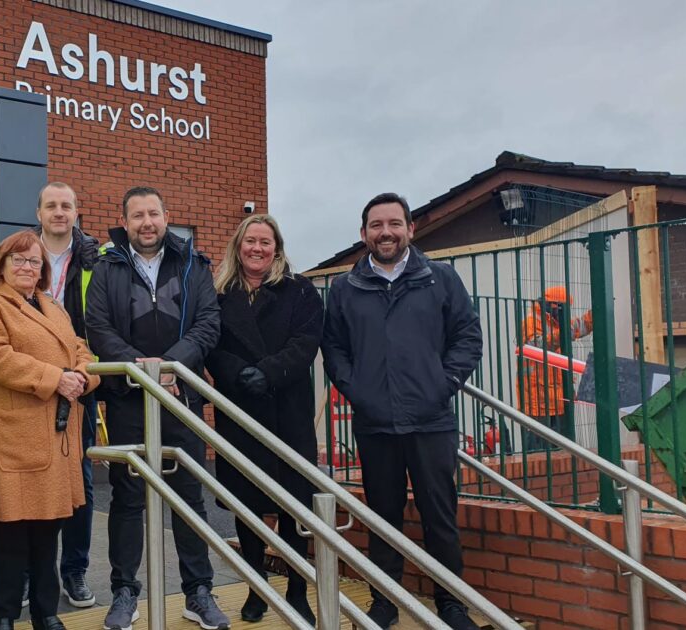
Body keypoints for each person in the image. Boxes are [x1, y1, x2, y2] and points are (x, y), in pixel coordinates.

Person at [321, 192, 482, 630]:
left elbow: (467, 337)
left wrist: (444, 384)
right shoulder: (345, 288)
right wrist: (357, 391)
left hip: (431, 421)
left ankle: (452, 604)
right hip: (375, 423)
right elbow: (334, 349)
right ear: (363, 234)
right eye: (376, 225)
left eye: (394, 223)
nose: (386, 232)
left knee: (440, 518)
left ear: (411, 229)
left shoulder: (440, 279)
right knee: (382, 517)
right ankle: (385, 602)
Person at [85, 186, 229, 630]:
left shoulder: (193, 264)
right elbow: (97, 326)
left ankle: (197, 592)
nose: (147, 222)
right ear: (124, 221)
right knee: (127, 501)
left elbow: (209, 322)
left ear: (166, 217)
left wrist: (172, 365)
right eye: (137, 215)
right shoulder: (106, 267)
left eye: (154, 214)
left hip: (180, 397)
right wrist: (137, 368)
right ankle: (125, 593)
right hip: (129, 398)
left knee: (188, 498)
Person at [0, 230, 100, 630]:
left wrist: (80, 376)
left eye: (35, 261)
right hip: (14, 436)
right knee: (10, 532)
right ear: (2, 265)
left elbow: (82, 350)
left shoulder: (53, 307)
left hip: (56, 437)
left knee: (48, 531)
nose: (27, 267)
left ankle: (46, 612)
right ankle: (5, 615)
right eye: (19, 260)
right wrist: (55, 378)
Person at [204, 215, 322, 624]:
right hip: (240, 411)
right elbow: (210, 344)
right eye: (250, 241)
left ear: (277, 247)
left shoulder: (300, 290)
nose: (257, 248)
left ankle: (298, 589)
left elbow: (306, 342)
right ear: (238, 246)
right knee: (248, 507)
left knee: (294, 507)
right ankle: (256, 589)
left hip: (287, 412)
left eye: (265, 242)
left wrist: (269, 372)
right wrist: (237, 373)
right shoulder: (219, 295)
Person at [31, 182, 100, 608]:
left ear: (77, 212)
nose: (59, 212)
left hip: (79, 382)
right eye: (52, 206)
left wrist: (83, 372)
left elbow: (102, 319)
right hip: (32, 381)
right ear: (38, 212)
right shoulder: (21, 252)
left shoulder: (96, 258)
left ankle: (74, 571)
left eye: (67, 206)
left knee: (81, 482)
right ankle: (30, 573)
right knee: (32, 478)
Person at [518, 285, 592, 451]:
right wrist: (565, 333)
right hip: (537, 401)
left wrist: (596, 315)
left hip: (560, 398)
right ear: (552, 305)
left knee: (562, 450)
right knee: (537, 453)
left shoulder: (557, 323)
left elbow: (581, 326)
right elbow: (536, 345)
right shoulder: (531, 322)